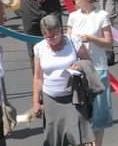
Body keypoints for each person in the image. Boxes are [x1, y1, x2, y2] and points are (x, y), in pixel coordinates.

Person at [32, 14, 95, 146]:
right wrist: (36, 102)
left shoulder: (74, 42)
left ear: (60, 30)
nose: (51, 39)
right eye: (47, 37)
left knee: (76, 136)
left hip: (73, 97)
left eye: (54, 36)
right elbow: (37, 76)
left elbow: (88, 62)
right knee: (55, 138)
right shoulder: (39, 48)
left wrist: (79, 66)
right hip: (51, 98)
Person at [67, 0, 113, 146]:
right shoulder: (73, 16)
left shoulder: (101, 16)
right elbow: (68, 42)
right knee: (81, 113)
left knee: (98, 112)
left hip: (97, 68)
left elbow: (109, 42)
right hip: (79, 71)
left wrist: (92, 38)